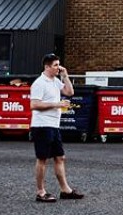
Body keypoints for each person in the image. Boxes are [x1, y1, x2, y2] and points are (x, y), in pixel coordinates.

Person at [30, 52, 83, 203]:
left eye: (59, 65)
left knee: (60, 157)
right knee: (42, 159)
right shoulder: (39, 83)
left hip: (53, 125)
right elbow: (34, 105)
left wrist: (65, 76)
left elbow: (69, 92)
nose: (58, 68)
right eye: (55, 65)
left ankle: (65, 190)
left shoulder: (55, 81)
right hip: (42, 126)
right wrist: (57, 104)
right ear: (47, 66)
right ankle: (40, 192)